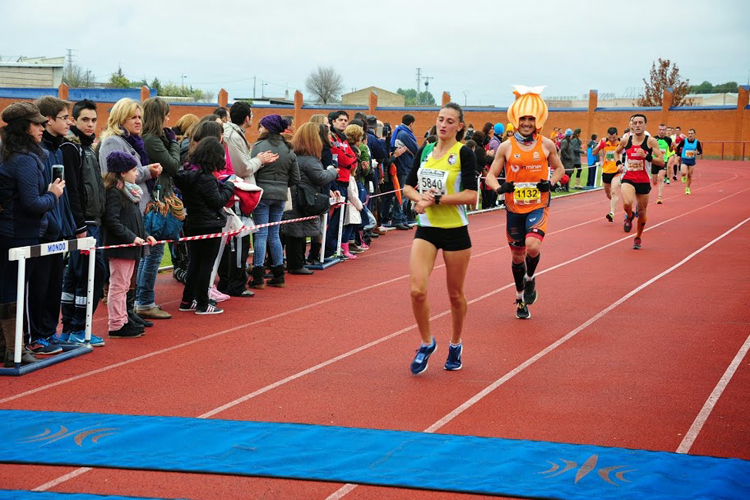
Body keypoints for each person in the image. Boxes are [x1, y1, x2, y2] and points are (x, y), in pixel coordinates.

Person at [403, 102, 478, 374]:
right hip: (427, 229)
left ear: (460, 126)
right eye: (440, 119)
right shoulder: (425, 151)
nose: (443, 124)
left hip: (456, 230)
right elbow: (408, 186)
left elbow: (472, 196)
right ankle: (426, 342)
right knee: (417, 290)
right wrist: (418, 200)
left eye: (449, 120)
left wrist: (438, 199)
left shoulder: (463, 154)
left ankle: (456, 343)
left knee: (455, 295)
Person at [485, 86, 564, 319]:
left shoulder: (547, 144)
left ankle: (531, 277)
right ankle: (520, 297)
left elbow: (559, 169)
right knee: (517, 256)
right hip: (513, 207)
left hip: (538, 204)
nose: (527, 122)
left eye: (531, 118)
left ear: (538, 119)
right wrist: (500, 187)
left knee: (532, 246)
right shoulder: (506, 146)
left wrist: (550, 183)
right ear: (516, 120)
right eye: (523, 118)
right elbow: (490, 175)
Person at [0, 102, 64, 365]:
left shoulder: (8, 153)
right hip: (19, 233)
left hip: (11, 231)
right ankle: (16, 349)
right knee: (15, 291)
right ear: (24, 128)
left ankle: (9, 348)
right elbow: (33, 204)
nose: (42, 127)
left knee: (7, 289)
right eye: (37, 124)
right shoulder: (24, 159)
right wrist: (53, 194)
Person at [27, 96, 92, 353]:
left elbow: (67, 193)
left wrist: (69, 225)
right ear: (48, 119)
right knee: (40, 285)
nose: (70, 122)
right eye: (64, 118)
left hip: (59, 228)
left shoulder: (58, 148)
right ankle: (37, 336)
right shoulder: (38, 151)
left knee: (55, 283)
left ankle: (49, 332)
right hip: (43, 230)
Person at [59, 99, 107, 344]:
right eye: (85, 120)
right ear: (74, 121)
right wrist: (80, 227)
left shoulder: (88, 148)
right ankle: (76, 327)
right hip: (83, 224)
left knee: (80, 275)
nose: (90, 124)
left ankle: (72, 328)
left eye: (93, 120)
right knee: (89, 275)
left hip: (93, 221)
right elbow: (73, 191)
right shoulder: (72, 147)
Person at [220, 102, 277, 297]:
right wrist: (259, 160)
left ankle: (234, 280)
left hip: (240, 194)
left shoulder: (234, 134)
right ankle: (233, 283)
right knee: (238, 241)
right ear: (247, 118)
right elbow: (241, 168)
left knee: (241, 240)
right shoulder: (232, 136)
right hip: (236, 194)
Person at [174, 137, 234, 314]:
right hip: (209, 224)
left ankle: (187, 300)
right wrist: (229, 186)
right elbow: (217, 201)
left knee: (195, 262)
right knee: (206, 264)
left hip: (194, 222)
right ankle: (202, 302)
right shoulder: (206, 178)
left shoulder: (189, 175)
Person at [102, 151, 157, 338]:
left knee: (124, 285)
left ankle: (124, 319)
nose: (136, 174)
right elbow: (113, 221)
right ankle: (116, 324)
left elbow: (134, 221)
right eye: (133, 170)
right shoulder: (114, 193)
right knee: (118, 286)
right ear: (123, 172)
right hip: (121, 248)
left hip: (131, 246)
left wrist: (145, 235)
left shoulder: (128, 192)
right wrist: (131, 237)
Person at [136, 97, 181, 322]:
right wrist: (173, 143)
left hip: (157, 200)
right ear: (158, 116)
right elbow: (173, 165)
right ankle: (144, 301)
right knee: (153, 254)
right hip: (156, 203)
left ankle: (142, 299)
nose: (169, 119)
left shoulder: (153, 138)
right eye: (166, 114)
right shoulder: (152, 140)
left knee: (150, 254)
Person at [249, 115, 301, 288]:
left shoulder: (257, 147)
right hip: (280, 194)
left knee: (261, 234)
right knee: (274, 233)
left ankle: (257, 275)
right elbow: (295, 178)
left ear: (267, 128)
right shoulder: (288, 149)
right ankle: (278, 274)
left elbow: (251, 172)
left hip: (262, 193)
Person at [283, 123, 339, 272]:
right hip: (302, 198)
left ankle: (294, 263)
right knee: (296, 232)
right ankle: (296, 265)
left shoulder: (295, 155)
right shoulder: (309, 159)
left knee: (294, 231)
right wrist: (333, 171)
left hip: (294, 196)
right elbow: (320, 177)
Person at [614, 114, 665, 249]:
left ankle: (638, 236)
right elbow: (616, 152)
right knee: (627, 202)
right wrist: (619, 163)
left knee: (642, 211)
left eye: (640, 123)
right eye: (635, 123)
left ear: (645, 125)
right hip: (628, 177)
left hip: (643, 180)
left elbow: (661, 161)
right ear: (631, 125)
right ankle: (629, 216)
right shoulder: (626, 140)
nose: (637, 125)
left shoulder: (651, 141)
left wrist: (647, 156)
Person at [386, 114, 419, 230]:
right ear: (411, 124)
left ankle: (402, 217)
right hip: (404, 167)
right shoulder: (404, 134)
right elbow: (416, 149)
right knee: (401, 194)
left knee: (403, 195)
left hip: (403, 166)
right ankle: (398, 218)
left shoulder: (400, 132)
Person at [592, 127, 621, 221]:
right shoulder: (604, 142)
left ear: (617, 135)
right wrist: (600, 146)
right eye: (610, 137)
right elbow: (593, 153)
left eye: (613, 137)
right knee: (609, 194)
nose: (612, 139)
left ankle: (612, 213)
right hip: (606, 171)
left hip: (617, 171)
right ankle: (614, 202)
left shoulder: (621, 143)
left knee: (613, 191)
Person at [652, 124, 673, 204]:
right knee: (654, 181)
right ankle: (655, 179)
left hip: (663, 161)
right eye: (660, 129)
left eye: (663, 130)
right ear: (658, 130)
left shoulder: (668, 139)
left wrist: (672, 147)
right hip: (654, 161)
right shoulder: (653, 139)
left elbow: (670, 150)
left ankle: (659, 197)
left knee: (661, 178)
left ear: (665, 131)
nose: (662, 131)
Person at [678, 128, 702, 194]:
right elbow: (678, 147)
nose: (690, 135)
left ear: (694, 134)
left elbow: (700, 151)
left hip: (692, 160)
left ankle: (687, 188)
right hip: (684, 159)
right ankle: (683, 176)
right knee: (683, 172)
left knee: (690, 175)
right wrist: (678, 155)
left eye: (691, 133)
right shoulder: (684, 141)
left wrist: (697, 153)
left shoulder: (697, 142)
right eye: (689, 133)